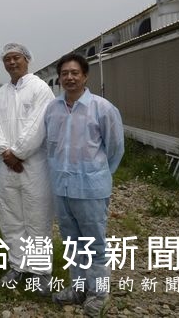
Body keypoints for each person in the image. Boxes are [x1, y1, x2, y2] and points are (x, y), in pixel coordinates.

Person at [45, 53, 124, 317]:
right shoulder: (53, 109)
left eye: (74, 73)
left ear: (85, 76)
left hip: (90, 189)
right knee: (71, 243)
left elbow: (115, 149)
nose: (69, 77)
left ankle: (98, 294)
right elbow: (50, 147)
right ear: (59, 78)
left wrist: (98, 175)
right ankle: (78, 288)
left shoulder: (102, 108)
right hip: (62, 188)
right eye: (64, 73)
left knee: (94, 244)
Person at [0, 43, 55, 293]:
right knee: (11, 217)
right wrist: (4, 152)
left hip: (34, 165)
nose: (12, 63)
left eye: (16, 58)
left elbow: (38, 125)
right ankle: (17, 265)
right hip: (7, 166)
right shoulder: (1, 93)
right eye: (7, 59)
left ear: (27, 59)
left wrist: (17, 153)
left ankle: (40, 271)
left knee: (37, 219)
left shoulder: (40, 89)